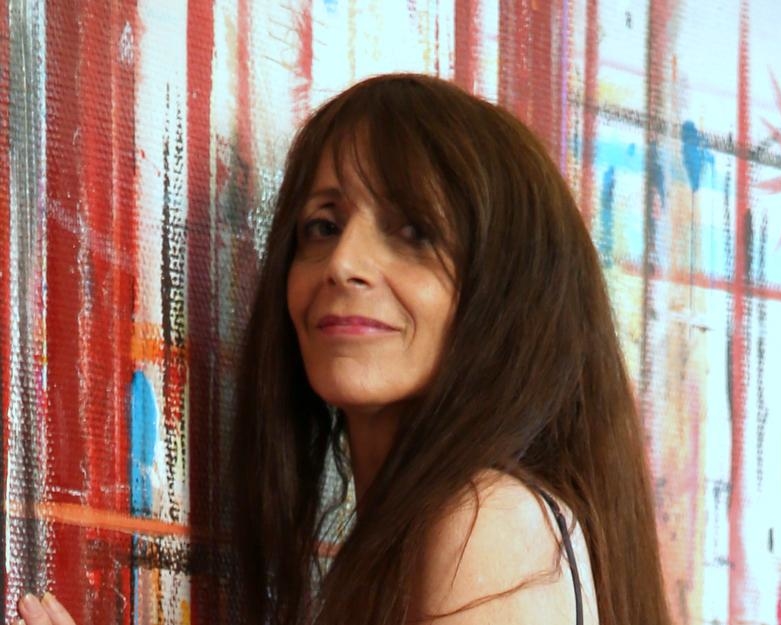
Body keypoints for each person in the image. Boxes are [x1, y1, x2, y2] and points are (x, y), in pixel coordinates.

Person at [17, 73, 672, 625]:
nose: (344, 263)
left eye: (414, 232)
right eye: (323, 226)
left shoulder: (486, 520)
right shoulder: (432, 528)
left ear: (506, 292)